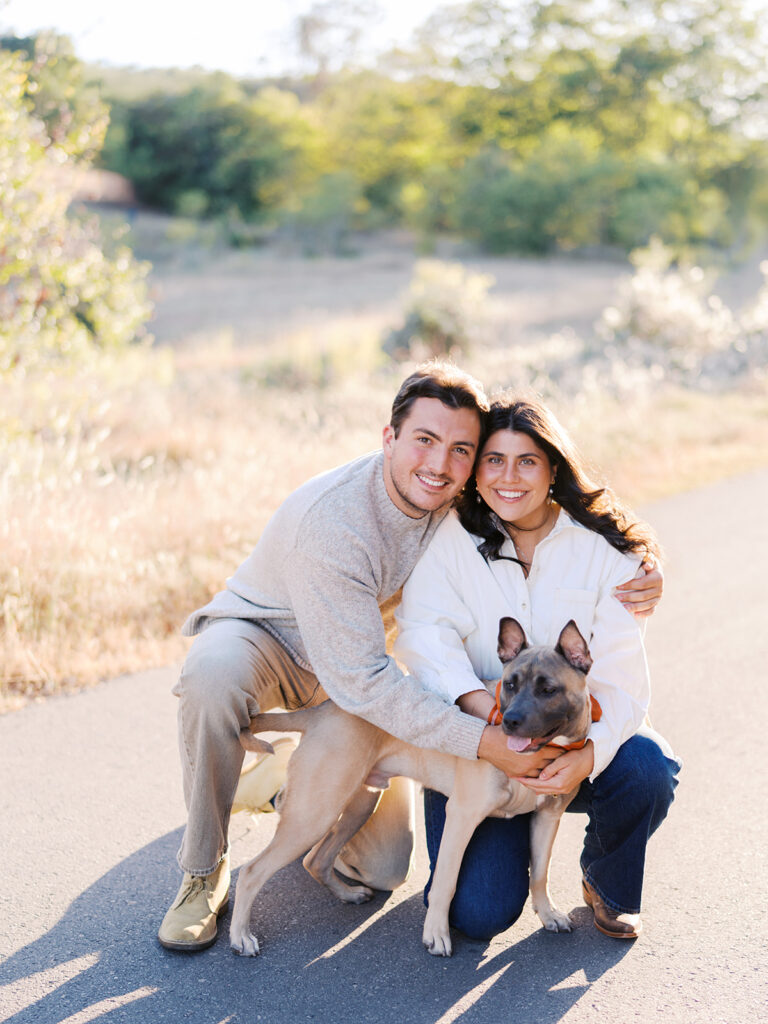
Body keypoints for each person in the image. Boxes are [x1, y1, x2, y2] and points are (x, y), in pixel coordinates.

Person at [158, 365, 663, 952]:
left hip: (361, 669)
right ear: (389, 437)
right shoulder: (353, 524)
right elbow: (386, 671)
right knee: (213, 681)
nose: (441, 464)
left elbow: (620, 660)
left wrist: (647, 565)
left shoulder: (465, 512)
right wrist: (485, 733)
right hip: (277, 641)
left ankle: (291, 780)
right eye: (426, 440)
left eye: (460, 450)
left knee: (383, 869)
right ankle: (202, 870)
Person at [394, 393, 680, 941]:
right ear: (475, 470)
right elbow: (424, 636)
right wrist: (489, 723)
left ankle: (607, 882)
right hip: (482, 748)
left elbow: (621, 681)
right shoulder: (448, 539)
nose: (509, 477)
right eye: (494, 460)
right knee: (478, 914)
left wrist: (586, 757)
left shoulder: (603, 551)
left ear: (553, 468)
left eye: (527, 461)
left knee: (647, 766)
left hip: (572, 738)